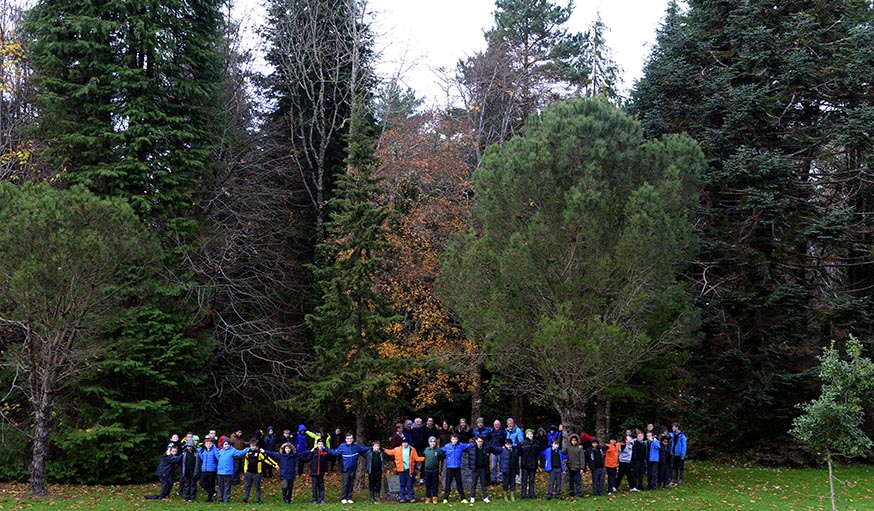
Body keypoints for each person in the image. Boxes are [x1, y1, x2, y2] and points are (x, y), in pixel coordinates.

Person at [328, 432, 370, 504]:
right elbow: (335, 453)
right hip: (345, 469)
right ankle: (343, 497)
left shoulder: (356, 446)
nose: (349, 440)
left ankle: (349, 497)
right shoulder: (342, 446)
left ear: (353, 439)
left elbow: (364, 448)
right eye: (348, 439)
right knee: (345, 483)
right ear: (345, 439)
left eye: (350, 438)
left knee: (351, 483)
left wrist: (373, 447)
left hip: (353, 468)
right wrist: (326, 449)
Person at [384, 437, 425, 503]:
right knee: (402, 484)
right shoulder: (398, 449)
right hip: (401, 470)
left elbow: (416, 458)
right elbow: (390, 452)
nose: (404, 444)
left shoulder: (412, 449)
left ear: (408, 443)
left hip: (409, 470)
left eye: (406, 443)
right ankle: (402, 497)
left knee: (409, 484)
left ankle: (411, 497)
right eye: (403, 443)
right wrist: (384, 450)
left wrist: (425, 458)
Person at [241, 438, 278, 504]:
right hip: (248, 473)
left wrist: (275, 465)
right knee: (247, 486)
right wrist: (245, 470)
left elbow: (267, 459)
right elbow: (246, 462)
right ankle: (245, 499)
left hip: (257, 473)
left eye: (254, 446)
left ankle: (258, 499)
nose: (252, 447)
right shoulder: (248, 453)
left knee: (257, 487)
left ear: (257, 446)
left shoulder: (260, 453)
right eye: (251, 446)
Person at [441, 433, 473, 503]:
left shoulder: (461, 445)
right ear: (451, 440)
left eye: (455, 439)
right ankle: (446, 498)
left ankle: (463, 498)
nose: (454, 440)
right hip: (449, 467)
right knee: (448, 483)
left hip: (457, 467)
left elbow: (469, 445)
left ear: (457, 440)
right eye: (453, 439)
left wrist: (477, 442)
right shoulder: (447, 446)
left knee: (459, 483)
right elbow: (440, 451)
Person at [216, 438, 248, 503]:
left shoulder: (232, 450)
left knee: (227, 486)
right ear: (223, 445)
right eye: (225, 444)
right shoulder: (220, 451)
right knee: (221, 486)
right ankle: (221, 498)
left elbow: (240, 453)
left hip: (228, 472)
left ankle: (226, 499)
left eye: (227, 444)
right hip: (220, 471)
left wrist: (247, 449)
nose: (226, 446)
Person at [300, 439, 330, 504]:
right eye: (319, 444)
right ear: (317, 445)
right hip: (314, 472)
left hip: (321, 472)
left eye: (321, 444)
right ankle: (314, 499)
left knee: (321, 486)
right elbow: (307, 459)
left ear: (323, 445)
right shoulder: (314, 451)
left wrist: (328, 451)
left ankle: (321, 499)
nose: (320, 445)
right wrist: (300, 457)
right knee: (314, 486)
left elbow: (329, 458)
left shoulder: (325, 452)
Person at [467, 436, 496, 503]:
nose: (480, 443)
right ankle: (472, 497)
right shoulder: (472, 448)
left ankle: (485, 497)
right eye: (479, 441)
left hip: (482, 468)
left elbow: (494, 449)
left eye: (481, 441)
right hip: (475, 468)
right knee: (474, 483)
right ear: (476, 441)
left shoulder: (485, 448)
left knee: (483, 483)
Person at [561, 433, 586, 498]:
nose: (574, 442)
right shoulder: (568, 448)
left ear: (577, 441)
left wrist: (582, 468)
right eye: (572, 440)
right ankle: (571, 492)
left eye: (575, 440)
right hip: (570, 466)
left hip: (578, 467)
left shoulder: (580, 448)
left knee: (578, 481)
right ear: (570, 441)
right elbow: (563, 452)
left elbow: (582, 458)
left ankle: (579, 492)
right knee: (571, 480)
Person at [421, 436, 445, 503]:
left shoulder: (438, 450)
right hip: (427, 470)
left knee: (435, 484)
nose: (432, 443)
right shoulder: (426, 449)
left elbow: (442, 456)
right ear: (429, 443)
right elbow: (423, 457)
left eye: (434, 441)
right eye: (431, 442)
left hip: (435, 470)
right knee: (428, 484)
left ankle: (435, 497)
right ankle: (428, 497)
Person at [518, 429, 540, 499]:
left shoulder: (536, 443)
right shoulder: (522, 443)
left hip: (533, 464)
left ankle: (531, 494)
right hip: (525, 465)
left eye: (531, 434)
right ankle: (523, 495)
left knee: (532, 481)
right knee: (524, 481)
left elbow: (540, 450)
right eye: (529, 434)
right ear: (526, 435)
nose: (530, 435)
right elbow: (518, 452)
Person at [197, 436, 220, 502]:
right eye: (206, 443)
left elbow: (218, 458)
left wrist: (215, 450)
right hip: (204, 469)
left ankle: (210, 498)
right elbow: (202, 458)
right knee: (202, 482)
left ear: (212, 444)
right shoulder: (204, 451)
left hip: (212, 470)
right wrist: (199, 452)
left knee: (211, 484)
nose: (208, 445)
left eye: (210, 443)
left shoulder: (214, 450)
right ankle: (213, 492)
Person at [489, 419, 506, 485]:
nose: (497, 426)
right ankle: (493, 480)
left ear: (500, 425)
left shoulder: (503, 432)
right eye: (495, 425)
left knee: (501, 466)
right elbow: (488, 440)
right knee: (493, 467)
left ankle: (501, 480)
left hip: (501, 451)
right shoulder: (491, 432)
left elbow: (505, 440)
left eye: (498, 424)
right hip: (493, 451)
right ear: (493, 425)